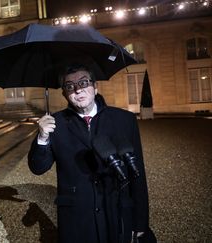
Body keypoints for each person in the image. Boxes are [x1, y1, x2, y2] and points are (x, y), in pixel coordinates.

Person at [28, 64, 155, 243]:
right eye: (70, 86)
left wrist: (140, 223)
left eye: (83, 82)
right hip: (77, 221)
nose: (78, 90)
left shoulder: (124, 120)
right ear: (64, 93)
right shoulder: (55, 124)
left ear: (95, 87)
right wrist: (42, 137)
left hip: (117, 214)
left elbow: (138, 176)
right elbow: (37, 168)